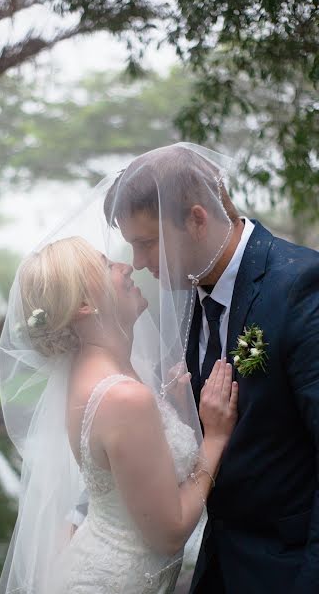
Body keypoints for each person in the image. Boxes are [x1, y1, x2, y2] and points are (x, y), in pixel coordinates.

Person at [103, 143, 319, 594]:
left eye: (147, 243)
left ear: (197, 219)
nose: (139, 263)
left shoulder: (300, 287)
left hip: (287, 566)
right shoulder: (183, 291)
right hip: (218, 565)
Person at [0, 234, 238, 594]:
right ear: (82, 304)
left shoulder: (94, 373)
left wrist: (177, 408)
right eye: (108, 266)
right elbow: (170, 534)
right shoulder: (122, 397)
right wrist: (216, 438)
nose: (127, 267)